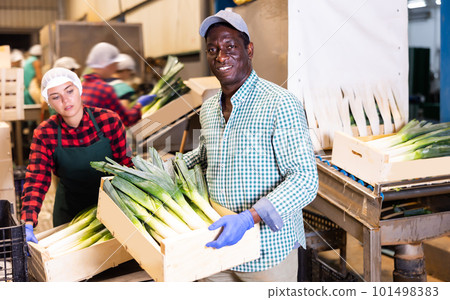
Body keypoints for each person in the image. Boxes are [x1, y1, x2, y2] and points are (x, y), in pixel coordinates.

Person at [182, 10, 319, 282]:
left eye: (230, 46)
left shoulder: (280, 104)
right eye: (213, 49)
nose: (221, 56)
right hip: (217, 244)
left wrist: (248, 218)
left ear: (249, 50)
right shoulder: (208, 108)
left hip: (267, 253)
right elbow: (206, 154)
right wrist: (167, 168)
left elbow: (305, 180)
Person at [21, 67, 132, 243]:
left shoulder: (108, 120)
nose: (65, 100)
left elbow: (126, 166)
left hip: (113, 207)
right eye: (55, 97)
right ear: (49, 102)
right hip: (71, 215)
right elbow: (37, 178)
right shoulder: (44, 133)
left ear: (79, 90)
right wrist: (27, 221)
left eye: (69, 91)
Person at [81, 42, 154, 127]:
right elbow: (127, 120)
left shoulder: (83, 85)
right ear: (106, 64)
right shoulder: (104, 89)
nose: (115, 68)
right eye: (114, 65)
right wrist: (140, 104)